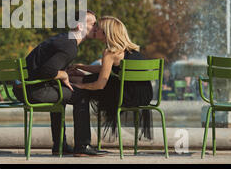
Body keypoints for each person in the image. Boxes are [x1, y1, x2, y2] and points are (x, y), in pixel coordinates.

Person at [13, 10, 108, 157]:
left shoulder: (63, 39)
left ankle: (60, 146)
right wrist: (62, 74)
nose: (97, 27)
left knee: (63, 91)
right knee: (81, 94)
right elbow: (47, 70)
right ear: (79, 26)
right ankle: (82, 145)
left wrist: (63, 73)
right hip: (33, 91)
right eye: (93, 23)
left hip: (23, 88)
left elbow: (45, 68)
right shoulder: (70, 45)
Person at [71, 16, 154, 142]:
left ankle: (82, 141)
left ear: (106, 33)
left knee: (81, 86)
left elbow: (99, 85)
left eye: (97, 27)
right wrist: (82, 67)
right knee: (88, 78)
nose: (95, 29)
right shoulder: (133, 51)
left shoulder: (110, 53)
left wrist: (81, 87)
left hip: (124, 96)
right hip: (143, 96)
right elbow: (104, 69)